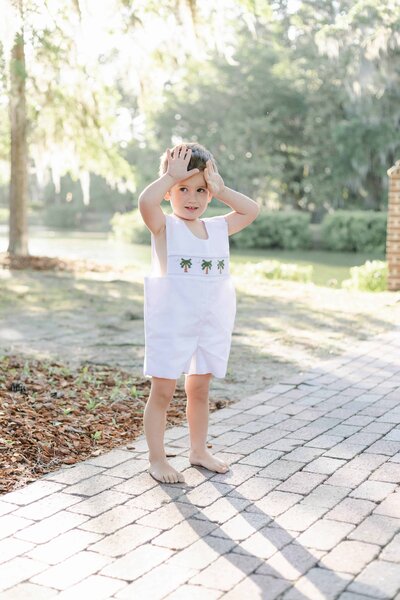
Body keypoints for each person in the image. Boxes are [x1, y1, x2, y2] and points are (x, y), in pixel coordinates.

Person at [138, 142, 259, 484]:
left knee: (200, 390)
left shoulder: (218, 227)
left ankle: (198, 450)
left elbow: (250, 210)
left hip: (210, 322)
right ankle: (158, 459)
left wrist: (222, 190)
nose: (192, 197)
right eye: (182, 188)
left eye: (201, 190)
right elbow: (146, 202)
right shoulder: (164, 227)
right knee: (162, 392)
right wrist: (168, 176)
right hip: (172, 323)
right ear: (169, 190)